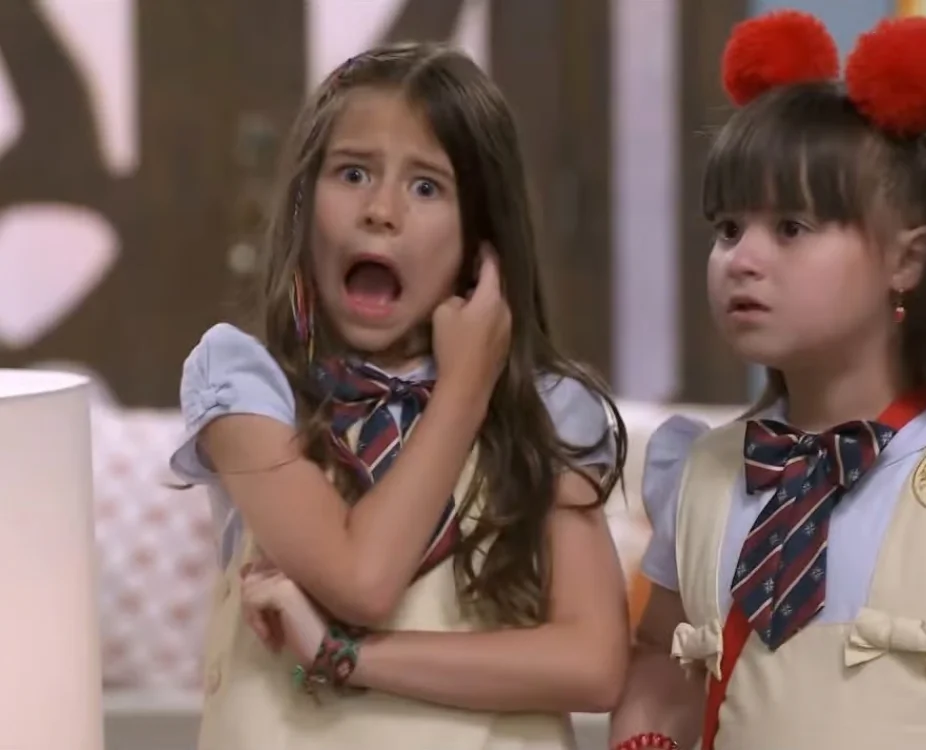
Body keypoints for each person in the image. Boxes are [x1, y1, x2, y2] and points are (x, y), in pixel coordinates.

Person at [608, 11, 926, 750]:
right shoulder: (701, 476)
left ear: (907, 259)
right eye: (728, 228)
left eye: (791, 228)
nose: (742, 260)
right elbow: (661, 670)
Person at [169, 41, 629, 750]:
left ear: (482, 238)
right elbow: (362, 580)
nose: (381, 211)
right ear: (304, 204)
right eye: (352, 173)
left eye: (427, 187)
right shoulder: (249, 389)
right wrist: (463, 392)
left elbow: (592, 664)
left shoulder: (545, 409)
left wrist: (345, 657)